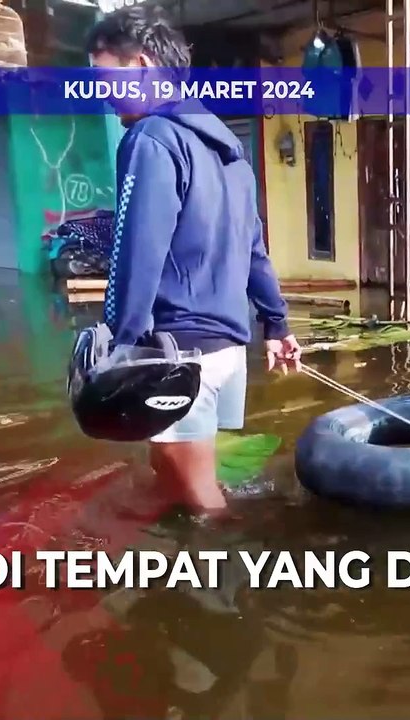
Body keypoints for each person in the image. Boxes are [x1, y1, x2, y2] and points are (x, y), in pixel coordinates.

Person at [86, 6, 301, 513]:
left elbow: (136, 250)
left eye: (102, 76)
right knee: (172, 472)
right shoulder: (231, 156)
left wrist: (120, 349)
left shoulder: (151, 139)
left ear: (139, 66)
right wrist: (277, 325)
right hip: (227, 351)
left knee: (203, 505)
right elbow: (254, 250)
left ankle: (240, 581)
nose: (100, 90)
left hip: (177, 354)